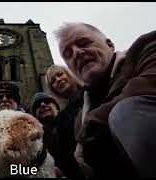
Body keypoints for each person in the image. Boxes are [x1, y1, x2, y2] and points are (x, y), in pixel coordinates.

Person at [55, 22, 156, 177]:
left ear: (110, 45)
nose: (76, 53)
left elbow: (145, 87)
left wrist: (85, 136)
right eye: (68, 54)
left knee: (125, 111)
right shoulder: (80, 121)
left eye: (84, 43)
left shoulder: (146, 49)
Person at [45, 65, 92, 177]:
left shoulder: (93, 90)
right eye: (53, 81)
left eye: (60, 74)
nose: (58, 80)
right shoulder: (63, 118)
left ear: (70, 73)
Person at [30, 92, 84, 178]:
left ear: (57, 108)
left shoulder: (73, 120)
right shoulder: (36, 140)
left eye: (47, 101)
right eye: (37, 105)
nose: (42, 105)